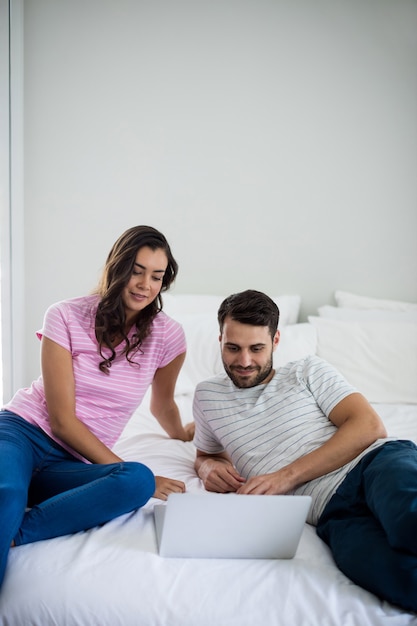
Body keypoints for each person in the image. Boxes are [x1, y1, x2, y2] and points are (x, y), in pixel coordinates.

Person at [193, 289, 417, 612]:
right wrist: (207, 469)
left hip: (375, 464)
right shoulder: (206, 398)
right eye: (233, 348)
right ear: (220, 340)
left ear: (276, 340)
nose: (244, 361)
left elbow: (369, 426)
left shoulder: (306, 371)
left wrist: (286, 477)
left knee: (409, 521)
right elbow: (204, 454)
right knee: (399, 579)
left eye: (256, 348)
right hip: (331, 513)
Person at [0, 225, 193, 590]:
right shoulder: (65, 315)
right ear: (116, 267)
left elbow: (163, 402)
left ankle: (16, 533)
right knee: (7, 491)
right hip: (22, 432)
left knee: (138, 480)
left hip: (71, 464)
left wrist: (181, 434)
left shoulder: (169, 336)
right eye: (137, 270)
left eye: (156, 276)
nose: (144, 284)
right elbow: (61, 421)